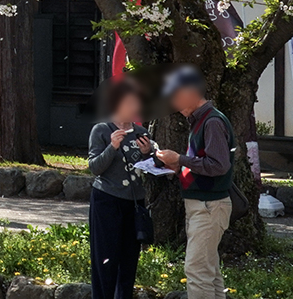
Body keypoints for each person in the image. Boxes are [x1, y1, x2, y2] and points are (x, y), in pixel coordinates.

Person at [155, 66, 236, 299]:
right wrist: (178, 165)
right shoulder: (202, 120)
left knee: (197, 269)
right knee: (209, 270)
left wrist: (179, 159)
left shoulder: (211, 122)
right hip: (204, 205)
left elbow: (219, 165)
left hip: (209, 207)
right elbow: (205, 162)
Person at [88, 78, 154, 299]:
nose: (134, 108)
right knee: (105, 258)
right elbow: (95, 167)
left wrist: (148, 154)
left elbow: (150, 167)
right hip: (107, 200)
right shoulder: (101, 130)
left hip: (134, 203)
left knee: (129, 260)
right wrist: (112, 146)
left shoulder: (141, 132)